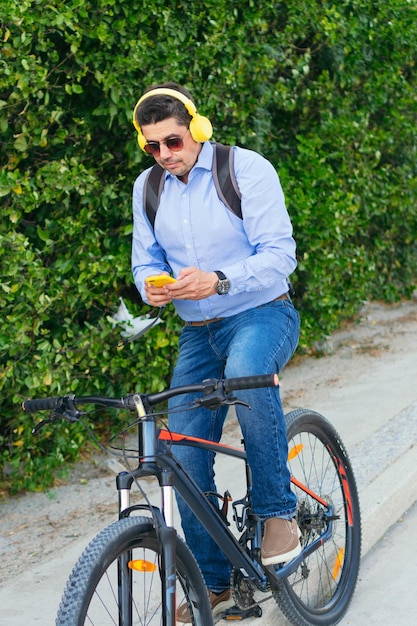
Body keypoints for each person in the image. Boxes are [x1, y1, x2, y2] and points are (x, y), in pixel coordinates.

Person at [131, 82, 301, 621]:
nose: (165, 155)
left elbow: (281, 256)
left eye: (173, 142)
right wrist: (151, 286)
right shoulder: (148, 187)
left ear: (197, 130)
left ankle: (279, 516)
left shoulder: (247, 170)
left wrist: (219, 281)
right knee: (179, 451)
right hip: (196, 334)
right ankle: (214, 578)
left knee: (249, 377)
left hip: (262, 314)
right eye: (152, 146)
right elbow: (144, 260)